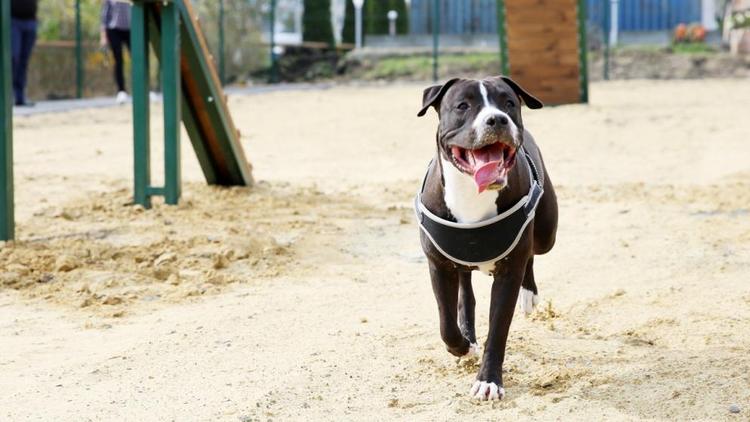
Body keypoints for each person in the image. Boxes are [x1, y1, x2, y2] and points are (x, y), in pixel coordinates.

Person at [100, 0, 132, 104]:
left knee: (138, 60)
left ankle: (143, 88)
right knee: (119, 60)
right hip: (114, 30)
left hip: (131, 29)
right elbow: (104, 17)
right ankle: (121, 91)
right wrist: (103, 37)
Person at [10, 0, 39, 107]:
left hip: (31, 20)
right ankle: (8, 94)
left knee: (24, 61)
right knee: (13, 57)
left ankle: (20, 97)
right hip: (12, 20)